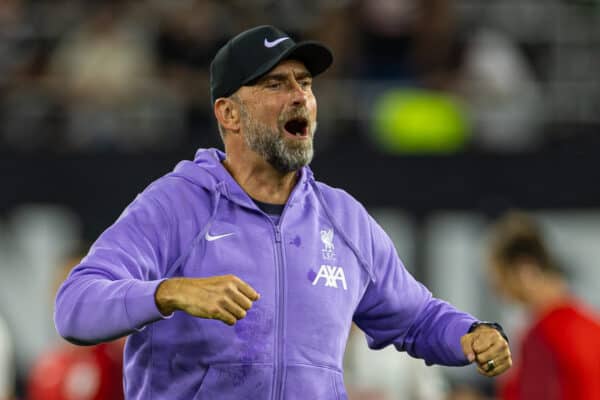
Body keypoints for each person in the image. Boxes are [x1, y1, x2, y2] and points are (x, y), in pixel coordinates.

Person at [54, 25, 511, 399]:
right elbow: (75, 307)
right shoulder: (177, 205)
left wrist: (470, 333)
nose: (299, 96)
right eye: (276, 84)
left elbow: (417, 317)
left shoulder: (342, 219)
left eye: (305, 83)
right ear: (229, 114)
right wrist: (168, 293)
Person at [487, 211, 600, 400]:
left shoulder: (541, 336)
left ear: (524, 270)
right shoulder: (591, 326)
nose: (500, 292)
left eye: (501, 280)